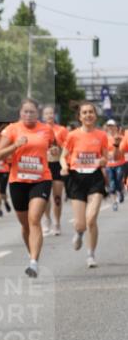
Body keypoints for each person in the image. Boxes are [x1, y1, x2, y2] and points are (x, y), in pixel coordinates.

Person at [0, 98, 54, 278]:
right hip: (18, 181)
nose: (28, 115)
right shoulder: (12, 129)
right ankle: (32, 254)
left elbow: (52, 147)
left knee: (34, 219)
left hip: (40, 179)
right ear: (20, 113)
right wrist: (15, 145)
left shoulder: (46, 130)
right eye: (25, 112)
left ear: (38, 113)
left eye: (32, 112)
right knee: (25, 224)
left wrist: (55, 153)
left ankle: (34, 262)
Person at [60, 102, 109, 268]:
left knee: (92, 219)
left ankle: (91, 254)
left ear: (95, 116)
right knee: (81, 223)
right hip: (76, 178)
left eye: (91, 112)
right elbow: (62, 156)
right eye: (85, 112)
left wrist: (103, 161)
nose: (88, 115)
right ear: (80, 117)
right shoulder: (73, 135)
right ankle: (79, 233)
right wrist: (65, 166)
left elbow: (105, 158)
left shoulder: (102, 135)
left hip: (95, 178)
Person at [41, 105, 68, 235]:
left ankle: (57, 223)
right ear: (43, 116)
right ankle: (47, 220)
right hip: (44, 166)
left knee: (57, 196)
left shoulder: (61, 130)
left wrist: (59, 148)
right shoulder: (39, 130)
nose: (49, 116)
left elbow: (68, 147)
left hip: (57, 164)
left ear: (55, 115)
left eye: (51, 113)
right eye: (46, 114)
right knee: (45, 197)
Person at [104, 119, 125, 211]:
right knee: (112, 183)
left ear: (116, 127)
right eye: (109, 126)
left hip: (120, 163)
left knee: (118, 181)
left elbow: (123, 150)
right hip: (109, 164)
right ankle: (114, 202)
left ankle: (120, 191)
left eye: (112, 126)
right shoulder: (104, 138)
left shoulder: (121, 137)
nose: (110, 128)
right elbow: (103, 151)